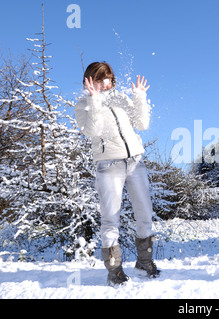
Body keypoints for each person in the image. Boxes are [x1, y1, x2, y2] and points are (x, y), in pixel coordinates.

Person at [75, 62, 160, 286]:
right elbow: (92, 131)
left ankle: (144, 261)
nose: (107, 83)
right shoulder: (83, 104)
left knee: (145, 213)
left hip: (135, 161)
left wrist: (139, 97)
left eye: (109, 78)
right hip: (109, 164)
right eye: (101, 78)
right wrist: (94, 100)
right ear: (90, 80)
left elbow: (142, 123)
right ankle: (114, 271)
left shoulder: (121, 99)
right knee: (110, 217)